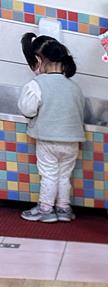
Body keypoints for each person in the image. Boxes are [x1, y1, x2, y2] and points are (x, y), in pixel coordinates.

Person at [18, 33, 84, 223]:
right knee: (64, 175)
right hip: (72, 142)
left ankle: (45, 209)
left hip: (48, 140)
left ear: (39, 60)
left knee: (48, 174)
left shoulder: (37, 84)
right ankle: (64, 209)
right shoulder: (75, 87)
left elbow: (27, 109)